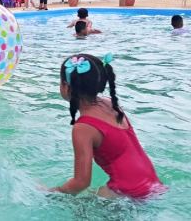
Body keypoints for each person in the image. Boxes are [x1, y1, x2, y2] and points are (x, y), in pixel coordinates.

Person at [51, 54, 165, 198]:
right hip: (154, 185)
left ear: (66, 87)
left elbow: (81, 183)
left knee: (74, 206)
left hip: (128, 193)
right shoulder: (111, 103)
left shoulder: (83, 128)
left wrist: (52, 192)